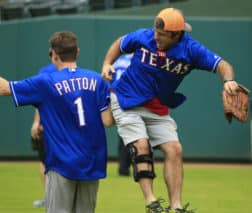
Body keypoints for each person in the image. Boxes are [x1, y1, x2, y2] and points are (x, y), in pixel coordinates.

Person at [101, 7, 239, 213]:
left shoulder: (191, 50)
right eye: (155, 31)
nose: (155, 36)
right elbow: (120, 43)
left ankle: (176, 207)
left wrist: (229, 80)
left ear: (177, 34)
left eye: (162, 34)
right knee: (141, 145)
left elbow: (222, 65)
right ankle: (151, 203)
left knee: (175, 150)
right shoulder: (144, 36)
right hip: (126, 99)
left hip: (157, 107)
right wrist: (106, 63)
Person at [0, 31, 113, 213]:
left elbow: (3, 88)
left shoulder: (46, 82)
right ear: (78, 52)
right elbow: (108, 121)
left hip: (62, 162)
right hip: (91, 162)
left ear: (55, 55)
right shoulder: (97, 80)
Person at [30, 62, 57, 208]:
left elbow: (40, 98)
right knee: (46, 163)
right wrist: (36, 122)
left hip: (50, 127)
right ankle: (49, 197)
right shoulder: (75, 72)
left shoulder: (46, 72)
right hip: (54, 127)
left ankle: (50, 198)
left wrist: (36, 122)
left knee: (46, 163)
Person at [111, 54, 132, 176]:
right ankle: (135, 166)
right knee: (136, 134)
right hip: (132, 98)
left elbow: (110, 77)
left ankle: (123, 167)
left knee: (123, 133)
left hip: (116, 98)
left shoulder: (118, 61)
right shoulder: (138, 60)